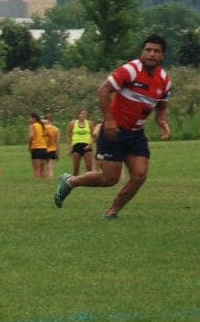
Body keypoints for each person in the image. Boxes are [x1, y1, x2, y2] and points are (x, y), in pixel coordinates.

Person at [55, 34, 172, 220]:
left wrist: (161, 121)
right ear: (142, 52)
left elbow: (161, 105)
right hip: (114, 132)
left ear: (162, 56)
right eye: (148, 50)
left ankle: (112, 211)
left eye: (156, 51)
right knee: (110, 179)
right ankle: (70, 181)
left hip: (136, 134)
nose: (151, 54)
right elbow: (103, 90)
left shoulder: (164, 80)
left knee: (140, 175)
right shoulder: (131, 70)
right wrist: (108, 120)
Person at [67, 107, 96, 175]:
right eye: (82, 114)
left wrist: (90, 145)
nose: (83, 115)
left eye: (85, 114)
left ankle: (90, 181)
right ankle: (75, 181)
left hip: (86, 146)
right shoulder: (72, 123)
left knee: (89, 166)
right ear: (78, 115)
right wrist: (69, 148)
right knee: (76, 168)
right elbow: (69, 136)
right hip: (76, 146)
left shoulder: (89, 123)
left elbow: (93, 136)